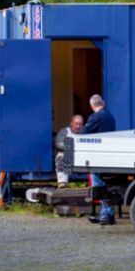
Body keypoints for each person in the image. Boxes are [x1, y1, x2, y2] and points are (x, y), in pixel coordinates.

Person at [82, 95, 118, 224]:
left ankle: (108, 215)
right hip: (108, 154)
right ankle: (105, 213)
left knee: (99, 185)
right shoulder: (110, 116)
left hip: (98, 156)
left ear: (92, 106)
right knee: (103, 185)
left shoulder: (97, 117)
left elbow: (83, 133)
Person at [53, 114, 84, 183]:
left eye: (80, 124)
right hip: (67, 155)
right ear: (71, 123)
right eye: (76, 124)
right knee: (61, 156)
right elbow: (58, 144)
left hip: (81, 157)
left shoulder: (85, 132)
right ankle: (62, 182)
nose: (78, 126)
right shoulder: (64, 131)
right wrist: (70, 147)